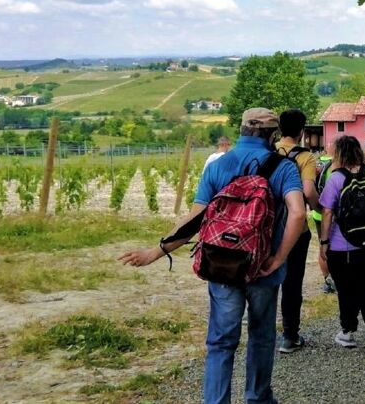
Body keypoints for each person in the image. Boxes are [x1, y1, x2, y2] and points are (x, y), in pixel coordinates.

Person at [119, 108, 305, 404]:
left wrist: (155, 252)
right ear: (272, 136)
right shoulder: (284, 168)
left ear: (242, 131)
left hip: (222, 265)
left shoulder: (218, 166)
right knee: (261, 336)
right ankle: (258, 397)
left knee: (221, 342)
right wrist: (279, 258)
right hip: (263, 268)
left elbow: (194, 220)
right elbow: (298, 214)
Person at [319, 135, 365, 351]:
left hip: (342, 246)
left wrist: (324, 241)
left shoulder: (335, 178)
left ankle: (348, 331)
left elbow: (327, 212)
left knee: (346, 288)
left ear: (338, 154)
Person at [275, 109, 320, 354]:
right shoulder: (305, 157)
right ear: (302, 131)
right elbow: (309, 191)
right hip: (296, 229)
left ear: (280, 129)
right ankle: (290, 335)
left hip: (268, 226)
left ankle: (263, 331)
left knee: (266, 279)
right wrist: (320, 208)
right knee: (292, 283)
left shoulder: (268, 151)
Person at [311, 151, 336, 294]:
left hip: (317, 212)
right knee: (335, 246)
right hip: (332, 214)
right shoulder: (335, 166)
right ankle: (335, 279)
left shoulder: (318, 162)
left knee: (323, 245)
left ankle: (327, 281)